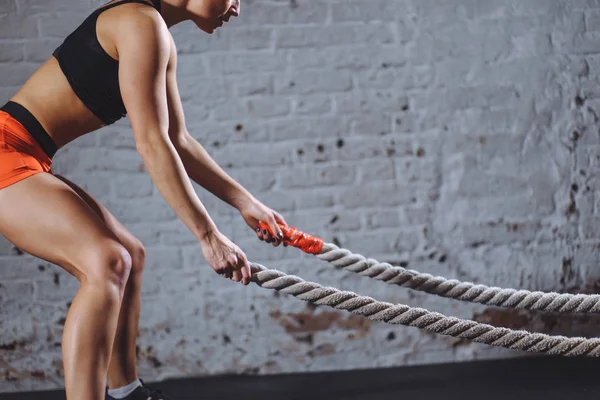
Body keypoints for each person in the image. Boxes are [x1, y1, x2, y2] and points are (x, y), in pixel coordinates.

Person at [0, 0, 287, 398]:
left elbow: (177, 141)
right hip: (7, 151)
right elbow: (152, 144)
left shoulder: (155, 33)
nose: (236, 8)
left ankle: (127, 392)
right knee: (108, 261)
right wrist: (207, 236)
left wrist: (245, 202)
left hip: (27, 155)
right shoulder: (139, 21)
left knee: (130, 255)